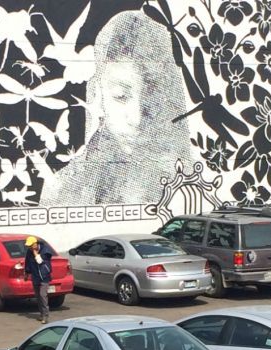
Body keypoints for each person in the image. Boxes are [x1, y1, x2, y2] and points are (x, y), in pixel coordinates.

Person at [41, 10, 191, 206]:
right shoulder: (64, 189)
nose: (136, 118)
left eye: (151, 96)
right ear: (98, 92)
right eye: (120, 96)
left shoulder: (185, 182)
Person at [24, 236, 53, 323]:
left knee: (42, 295)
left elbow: (41, 262)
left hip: (44, 277)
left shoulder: (45, 251)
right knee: (38, 296)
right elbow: (27, 262)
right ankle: (41, 314)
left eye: (31, 245)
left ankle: (45, 316)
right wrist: (26, 273)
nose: (29, 247)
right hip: (35, 276)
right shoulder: (29, 252)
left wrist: (36, 254)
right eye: (28, 246)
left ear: (35, 244)